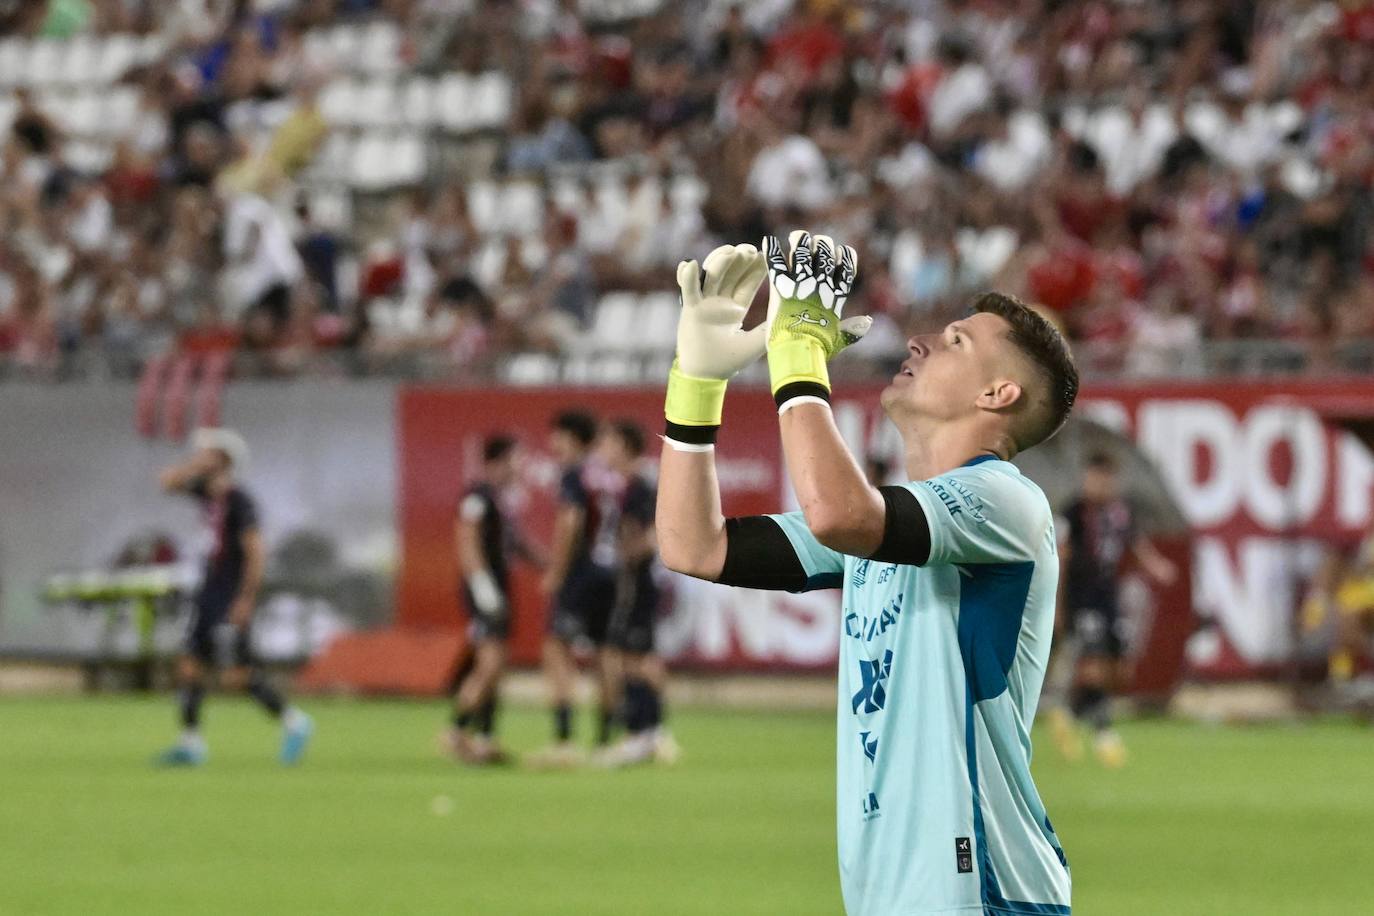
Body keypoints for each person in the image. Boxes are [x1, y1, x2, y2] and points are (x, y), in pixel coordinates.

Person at [656, 234, 1076, 914]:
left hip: (984, 893)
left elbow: (836, 513)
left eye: (957, 343)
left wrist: (795, 356)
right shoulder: (881, 527)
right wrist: (696, 385)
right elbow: (691, 545)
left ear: (1000, 394)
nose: (919, 342)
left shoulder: (1007, 502)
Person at [154, 428, 312, 767]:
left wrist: (245, 599)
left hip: (229, 595)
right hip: (208, 591)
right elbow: (166, 481)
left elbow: (256, 552)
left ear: (224, 460)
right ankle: (191, 742)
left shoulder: (241, 502)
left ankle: (294, 722)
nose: (200, 457)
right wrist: (192, 467)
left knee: (236, 675)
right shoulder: (209, 495)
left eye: (208, 453)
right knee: (189, 665)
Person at [1051, 451, 1176, 768]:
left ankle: (1068, 714)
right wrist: (1057, 605)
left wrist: (1157, 566)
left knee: (1117, 670)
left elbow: (1135, 544)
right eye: (1096, 478)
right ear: (1086, 478)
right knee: (1092, 664)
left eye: (1107, 479)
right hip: (1082, 597)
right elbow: (1061, 558)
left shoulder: (1121, 513)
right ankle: (1104, 734)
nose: (1102, 485)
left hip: (1109, 597)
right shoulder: (1074, 513)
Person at [528, 410, 618, 767]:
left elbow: (571, 520)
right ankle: (606, 740)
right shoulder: (606, 476)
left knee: (555, 648)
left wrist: (557, 570)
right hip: (610, 573)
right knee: (605, 654)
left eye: (559, 436)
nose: (553, 444)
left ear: (573, 437)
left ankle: (564, 740)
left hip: (581, 574)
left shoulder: (575, 473)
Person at [444, 434, 535, 765]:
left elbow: (516, 543)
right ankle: (456, 732)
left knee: (496, 666)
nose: (518, 468)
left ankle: (484, 736)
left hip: (498, 587)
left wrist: (548, 564)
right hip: (484, 591)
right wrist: (482, 586)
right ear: (495, 462)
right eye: (514, 460)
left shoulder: (499, 499)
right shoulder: (477, 495)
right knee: (489, 663)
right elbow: (465, 540)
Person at [596, 419, 679, 767]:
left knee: (635, 659)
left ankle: (646, 732)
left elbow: (651, 533)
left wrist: (626, 557)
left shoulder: (639, 488)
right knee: (633, 658)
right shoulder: (630, 486)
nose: (603, 449)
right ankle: (649, 732)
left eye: (609, 442)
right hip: (635, 580)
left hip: (638, 581)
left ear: (624, 446)